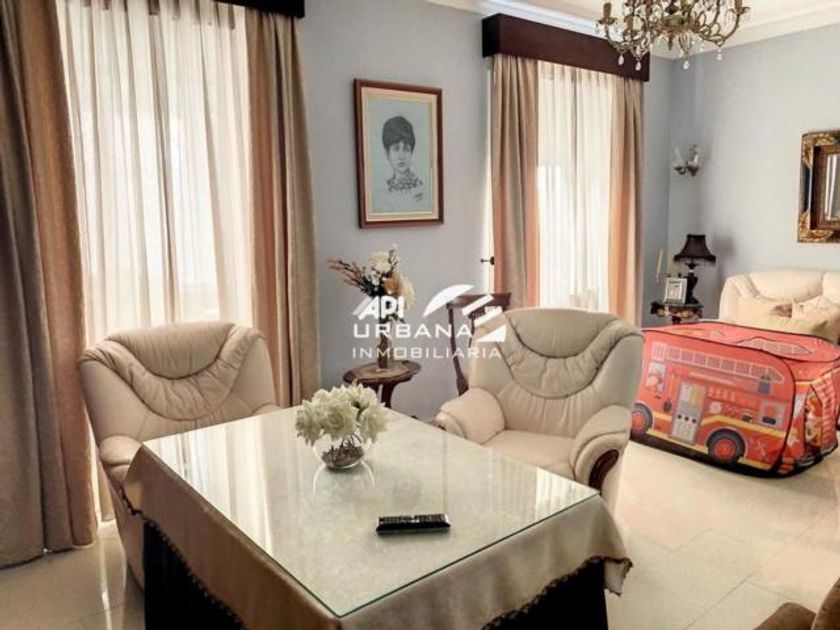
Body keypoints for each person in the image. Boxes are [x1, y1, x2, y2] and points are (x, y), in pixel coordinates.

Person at [375, 115, 426, 213]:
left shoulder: (423, 192)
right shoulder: (382, 195)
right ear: (387, 154)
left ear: (411, 152)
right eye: (396, 149)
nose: (401, 156)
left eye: (406, 149)